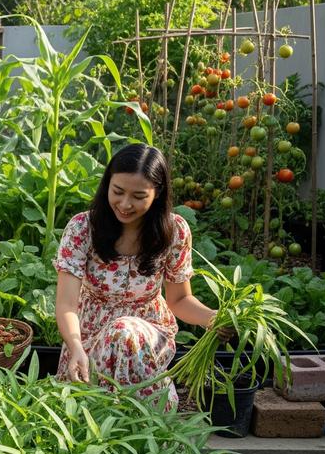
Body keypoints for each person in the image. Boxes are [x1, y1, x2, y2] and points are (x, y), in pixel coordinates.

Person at [54, 143, 221, 408]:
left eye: (139, 196)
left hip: (148, 333)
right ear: (107, 184)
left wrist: (215, 319)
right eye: (117, 192)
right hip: (89, 334)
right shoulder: (83, 228)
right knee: (93, 403)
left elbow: (179, 300)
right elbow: (66, 304)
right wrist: (75, 347)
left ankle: (148, 424)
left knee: (124, 332)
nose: (125, 204)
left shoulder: (174, 230)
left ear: (157, 193)